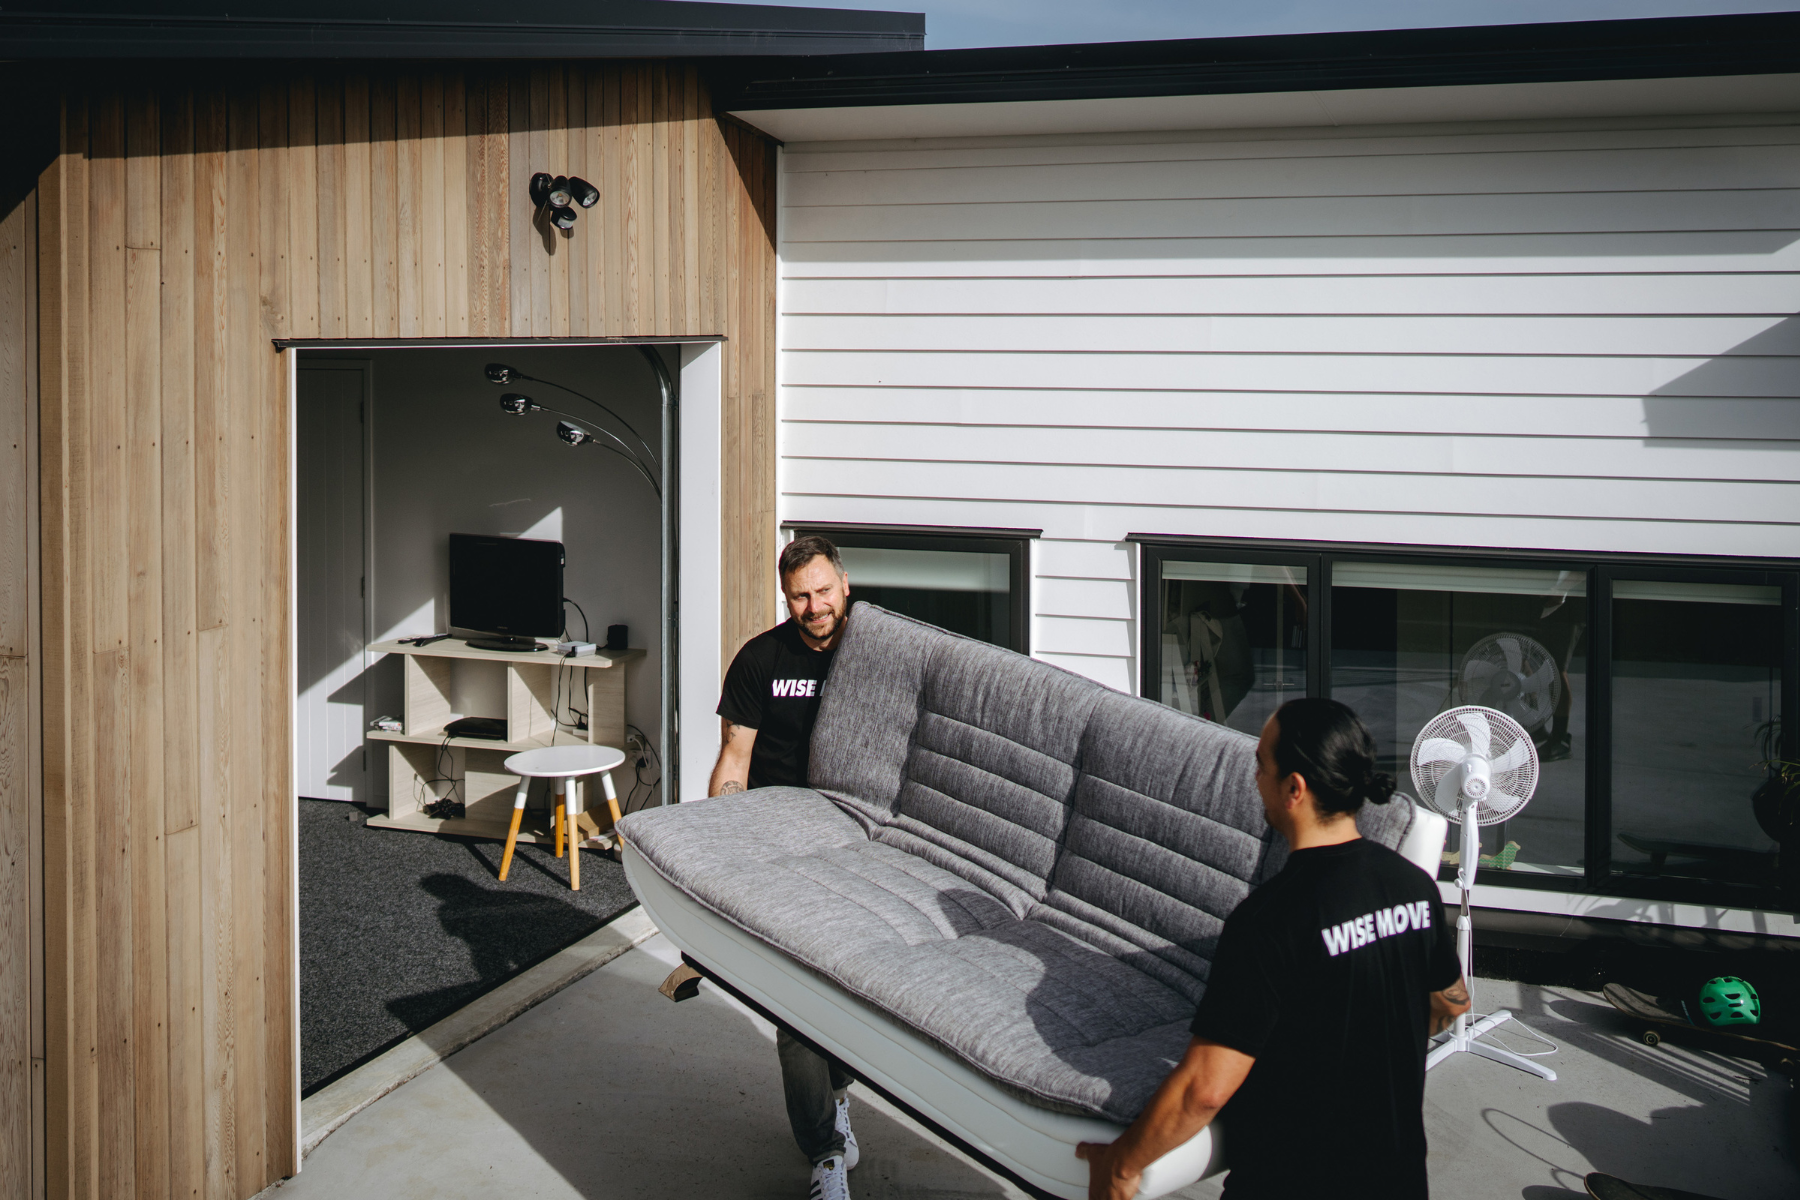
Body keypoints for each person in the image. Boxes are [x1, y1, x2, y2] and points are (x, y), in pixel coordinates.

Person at [1077, 697, 1471, 1200]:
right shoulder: (1413, 886)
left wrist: (1120, 1166)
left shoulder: (1271, 920)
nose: (1255, 778)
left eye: (1261, 764)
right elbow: (1452, 1002)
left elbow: (1205, 1089)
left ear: (1294, 788)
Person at [709, 534, 861, 1200]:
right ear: (786, 597)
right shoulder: (760, 660)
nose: (815, 606)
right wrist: (718, 851)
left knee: (855, 988)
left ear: (845, 585)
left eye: (824, 591)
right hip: (779, 846)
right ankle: (824, 1152)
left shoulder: (875, 652)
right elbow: (734, 762)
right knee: (797, 1002)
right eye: (801, 595)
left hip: (858, 848)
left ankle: (839, 1095)